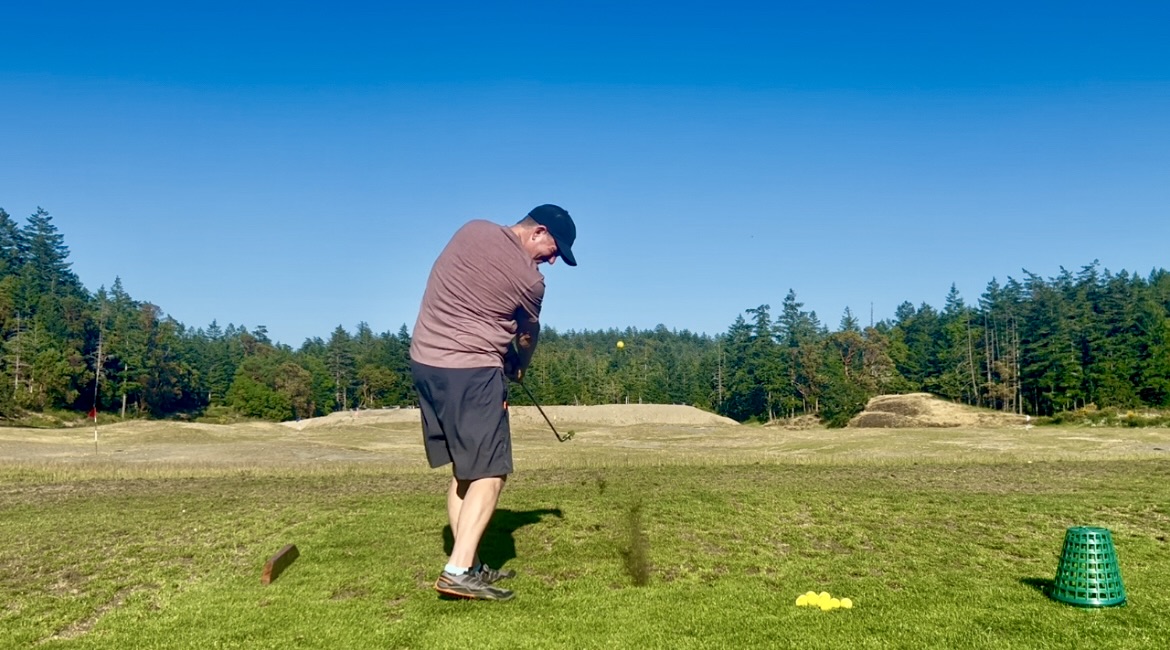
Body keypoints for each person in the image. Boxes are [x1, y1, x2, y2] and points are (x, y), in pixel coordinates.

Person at [409, 204, 578, 601]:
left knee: (466, 471)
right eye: (555, 250)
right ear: (538, 231)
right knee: (491, 472)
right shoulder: (531, 281)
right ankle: (456, 572)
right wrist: (520, 365)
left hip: (425, 364)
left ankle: (468, 563)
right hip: (470, 371)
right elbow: (526, 335)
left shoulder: (471, 228)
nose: (552, 260)